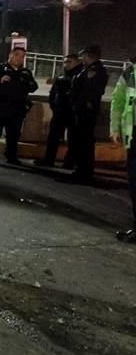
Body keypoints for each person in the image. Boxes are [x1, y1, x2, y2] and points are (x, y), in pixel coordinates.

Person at [0, 47, 38, 165]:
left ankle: (11, 157)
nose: (19, 58)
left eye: (22, 56)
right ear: (10, 55)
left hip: (17, 109)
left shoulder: (25, 72)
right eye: (17, 55)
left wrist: (26, 82)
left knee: (14, 135)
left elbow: (33, 87)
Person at [68, 45, 109, 182]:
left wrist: (87, 102)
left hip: (86, 111)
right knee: (81, 140)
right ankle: (81, 168)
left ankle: (84, 171)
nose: (82, 58)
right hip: (81, 109)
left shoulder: (97, 71)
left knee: (85, 140)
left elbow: (93, 90)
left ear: (90, 56)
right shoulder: (87, 69)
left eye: (84, 56)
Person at [34, 54, 82, 168]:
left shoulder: (80, 76)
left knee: (72, 139)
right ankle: (49, 160)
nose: (66, 64)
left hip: (72, 112)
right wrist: (54, 106)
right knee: (53, 137)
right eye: (65, 62)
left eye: (69, 62)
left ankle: (69, 162)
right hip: (59, 111)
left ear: (77, 62)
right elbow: (53, 93)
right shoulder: (62, 76)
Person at [111, 58, 136, 242]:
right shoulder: (129, 73)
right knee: (134, 185)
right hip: (133, 138)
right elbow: (118, 101)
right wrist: (114, 128)